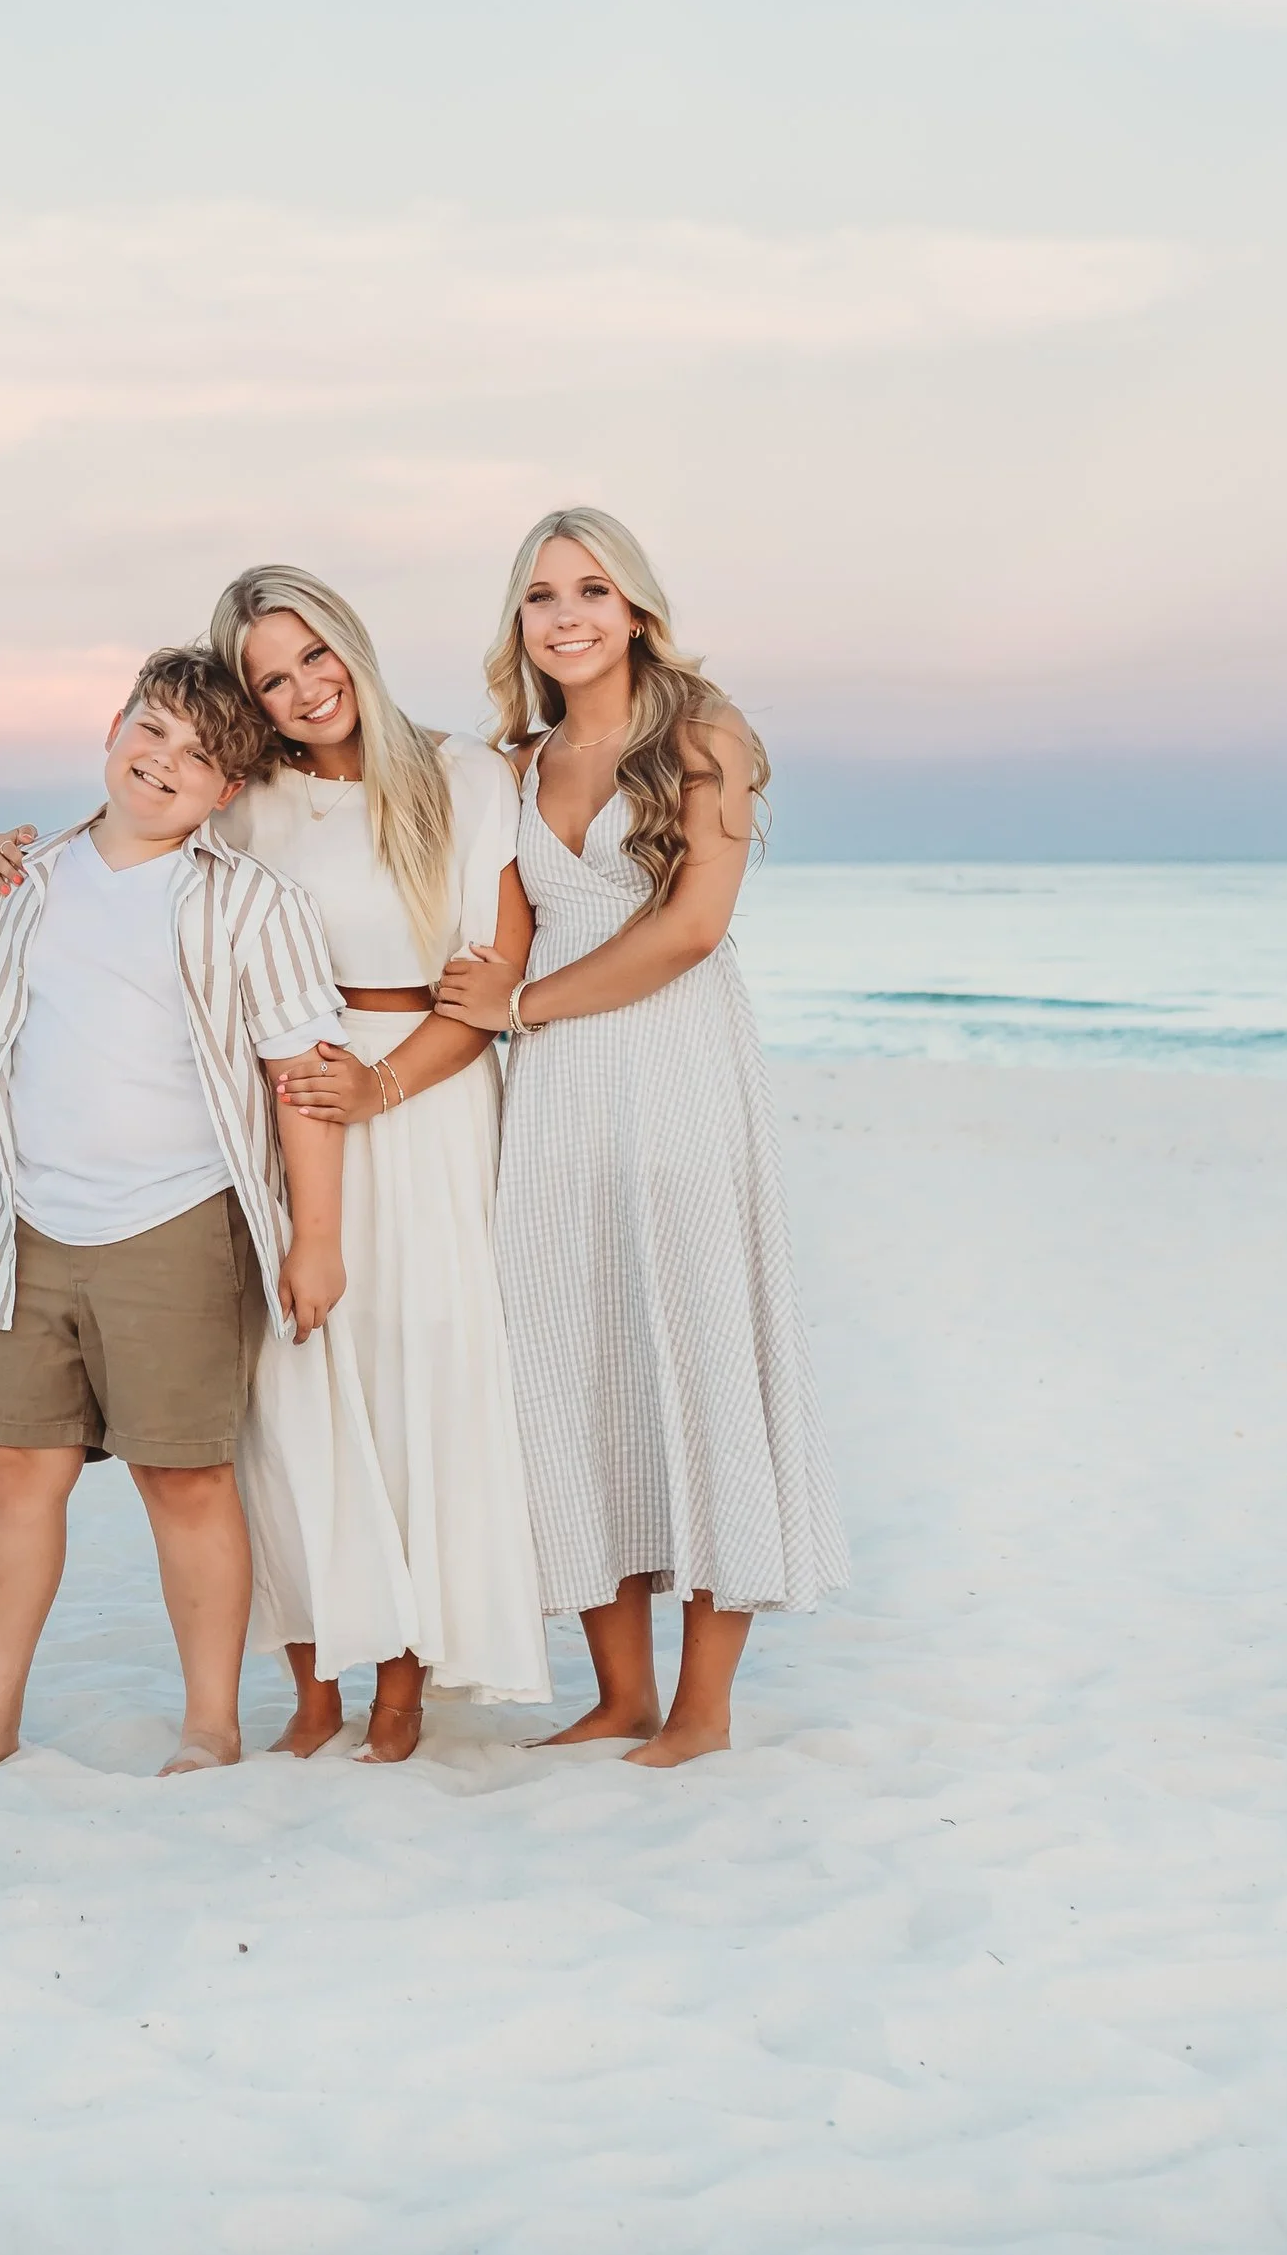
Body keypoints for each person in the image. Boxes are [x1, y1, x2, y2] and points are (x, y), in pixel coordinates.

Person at [0, 569, 550, 1764]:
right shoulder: (248, 801)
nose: (302, 688)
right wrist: (9, 861)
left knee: (411, 1386)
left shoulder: (462, 775)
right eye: (268, 676)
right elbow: (136, 841)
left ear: (351, 639)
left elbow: (494, 976)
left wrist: (384, 1082)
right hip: (278, 1096)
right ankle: (313, 1682)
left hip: (422, 1098)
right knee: (282, 1413)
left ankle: (405, 1683)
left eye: (312, 654)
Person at [0, 646, 348, 1781]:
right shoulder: (28, 881)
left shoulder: (247, 902)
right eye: (152, 731)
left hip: (176, 1225)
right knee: (15, 1470)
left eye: (198, 759)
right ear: (114, 725)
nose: (163, 763)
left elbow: (303, 1075)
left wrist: (317, 1238)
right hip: (29, 1221)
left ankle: (210, 1723)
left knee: (183, 1476)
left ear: (227, 794)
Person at [434, 508, 848, 1766]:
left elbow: (688, 930)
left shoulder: (704, 737)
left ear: (636, 611)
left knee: (700, 1352)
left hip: (672, 1072)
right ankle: (616, 1692)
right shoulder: (509, 767)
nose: (567, 615)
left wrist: (522, 1007)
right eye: (541, 596)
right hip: (553, 1096)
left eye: (592, 591)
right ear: (519, 623)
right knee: (571, 1362)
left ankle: (702, 1708)